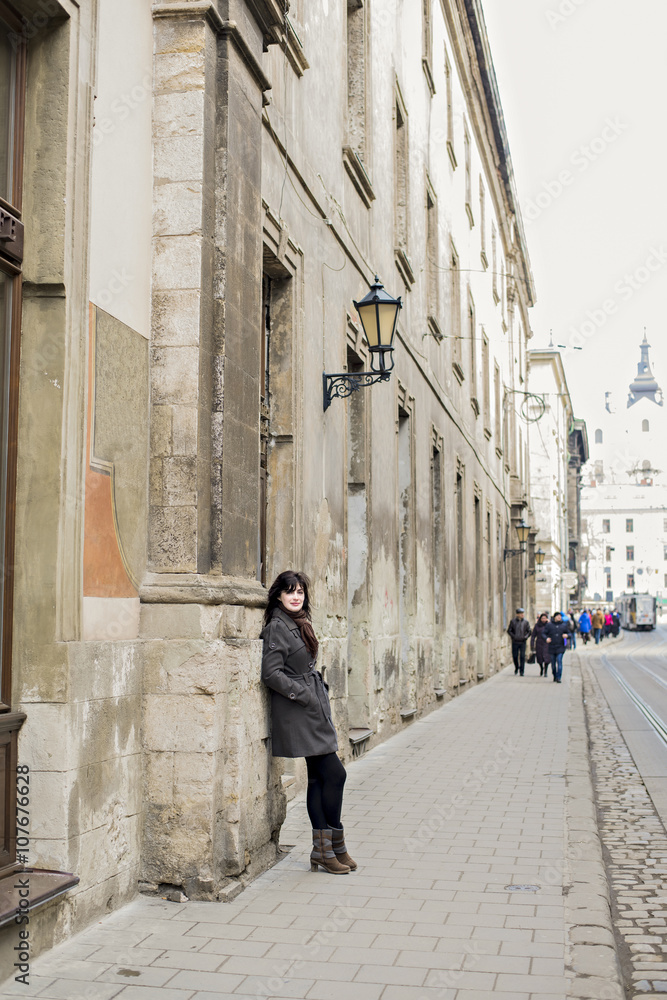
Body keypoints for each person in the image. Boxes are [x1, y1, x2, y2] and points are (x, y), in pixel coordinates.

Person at [261, 570, 356, 875]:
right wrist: (303, 694)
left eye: (300, 591)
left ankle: (328, 851)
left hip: (312, 707)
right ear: (278, 595)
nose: (296, 596)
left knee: (318, 778)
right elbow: (271, 673)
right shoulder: (277, 626)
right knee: (336, 774)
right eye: (290, 591)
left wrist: (317, 691)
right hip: (299, 711)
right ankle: (330, 845)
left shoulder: (299, 622)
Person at [544, 611, 571, 683]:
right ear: (554, 617)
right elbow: (543, 633)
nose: (559, 617)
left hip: (560, 646)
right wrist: (546, 638)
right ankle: (555, 675)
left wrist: (567, 635)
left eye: (560, 616)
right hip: (552, 646)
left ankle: (559, 677)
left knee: (559, 661)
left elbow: (569, 633)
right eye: (558, 616)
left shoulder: (563, 625)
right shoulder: (549, 625)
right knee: (553, 663)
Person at [507, 608, 532, 676]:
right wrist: (513, 636)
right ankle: (517, 667)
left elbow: (529, 631)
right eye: (521, 614)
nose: (522, 615)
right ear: (517, 614)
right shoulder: (513, 621)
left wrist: (525, 637)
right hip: (515, 641)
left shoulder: (526, 622)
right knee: (515, 656)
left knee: (522, 656)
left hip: (522, 642)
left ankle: (522, 671)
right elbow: (509, 630)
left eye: (523, 613)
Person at [531, 612, 551, 677]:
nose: (543, 619)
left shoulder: (548, 625)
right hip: (539, 643)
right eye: (542, 618)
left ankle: (546, 671)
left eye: (545, 618)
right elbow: (533, 635)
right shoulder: (537, 625)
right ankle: (541, 668)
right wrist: (532, 643)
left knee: (547, 658)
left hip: (546, 643)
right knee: (539, 658)